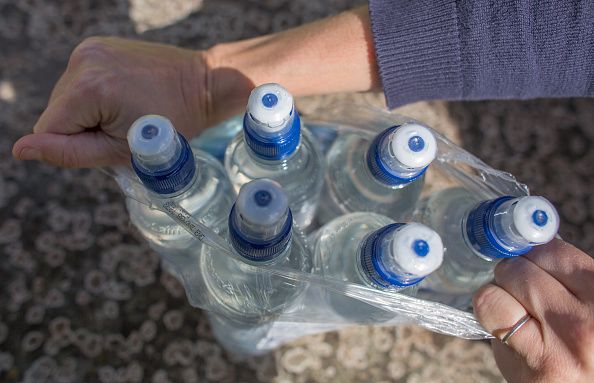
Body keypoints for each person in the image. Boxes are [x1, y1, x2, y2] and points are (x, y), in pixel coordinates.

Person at [11, 4, 594, 382]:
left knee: (294, 265)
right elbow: (570, 24)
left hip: (332, 250)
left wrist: (212, 77)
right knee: (265, 253)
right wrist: (208, 80)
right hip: (294, 238)